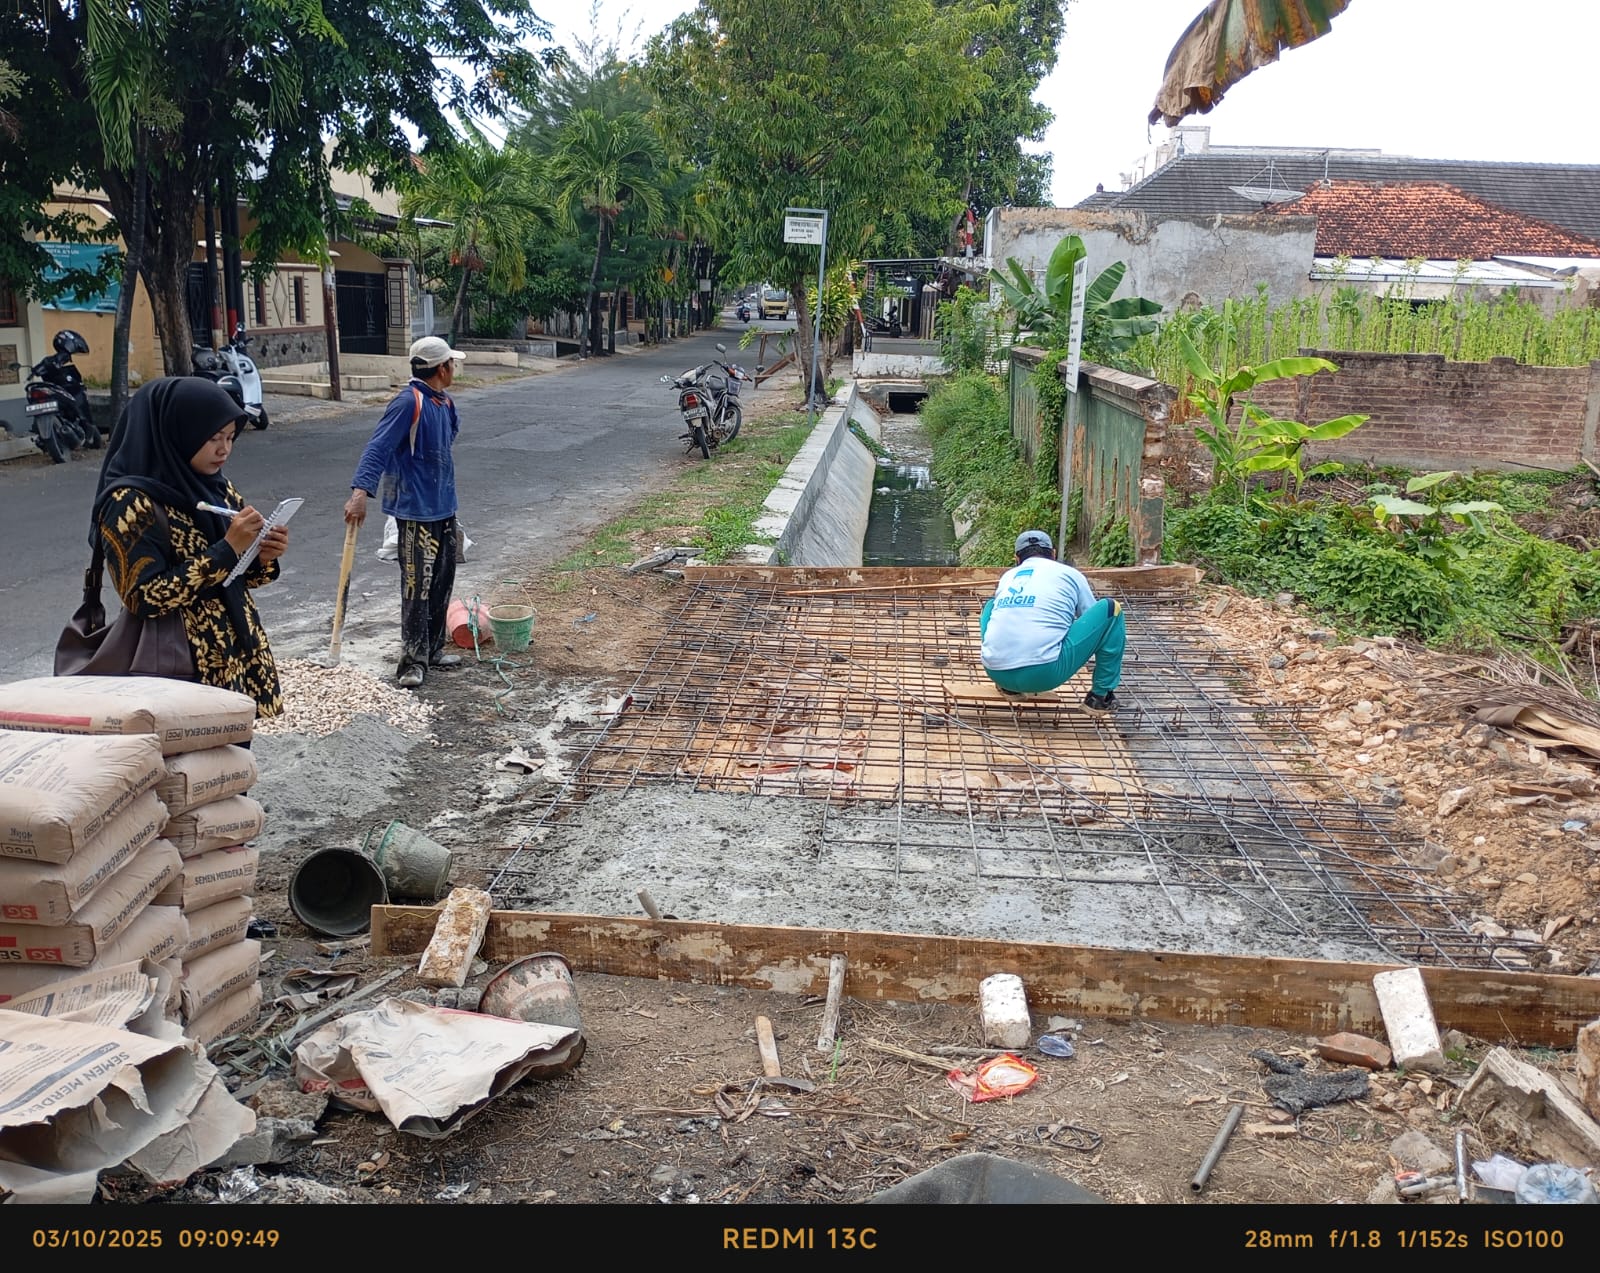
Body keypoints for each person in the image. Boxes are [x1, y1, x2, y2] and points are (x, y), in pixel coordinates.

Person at [91, 377, 287, 718]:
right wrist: (227, 549)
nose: (224, 449)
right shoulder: (130, 503)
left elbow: (237, 578)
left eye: (230, 437)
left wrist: (262, 554)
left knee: (233, 767)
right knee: (184, 769)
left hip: (233, 659)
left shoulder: (214, 487)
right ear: (176, 433)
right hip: (179, 668)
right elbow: (143, 597)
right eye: (213, 438)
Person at [344, 336, 467, 689]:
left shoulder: (444, 403)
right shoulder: (407, 403)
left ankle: (432, 649)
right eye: (451, 364)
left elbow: (448, 439)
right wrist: (360, 493)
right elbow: (378, 447)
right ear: (442, 368)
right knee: (417, 586)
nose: (453, 369)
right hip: (414, 512)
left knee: (443, 579)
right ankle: (411, 661)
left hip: (444, 507)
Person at [978, 530, 1126, 711]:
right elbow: (1093, 620)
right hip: (1045, 674)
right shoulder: (1070, 574)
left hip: (996, 671)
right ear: (1053, 554)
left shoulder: (1008, 577)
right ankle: (1100, 696)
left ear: (1017, 558)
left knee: (991, 606)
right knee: (1111, 609)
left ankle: (1008, 687)